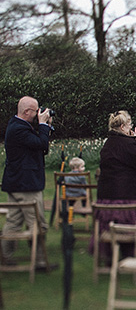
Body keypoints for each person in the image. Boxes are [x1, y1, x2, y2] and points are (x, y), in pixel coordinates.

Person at [1, 96, 54, 269]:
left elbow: (39, 146)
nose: (38, 114)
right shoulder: (20, 130)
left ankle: (6, 257)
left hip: (16, 182)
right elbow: (42, 144)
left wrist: (45, 125)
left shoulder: (16, 125)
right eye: (35, 110)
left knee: (14, 221)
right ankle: (39, 261)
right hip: (26, 184)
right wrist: (44, 125)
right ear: (26, 112)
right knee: (37, 223)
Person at [93, 110, 136, 260]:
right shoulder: (126, 144)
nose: (131, 128)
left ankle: (110, 259)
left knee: (108, 228)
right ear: (122, 127)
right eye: (129, 125)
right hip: (125, 196)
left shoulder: (108, 144)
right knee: (127, 230)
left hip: (106, 195)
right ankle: (128, 257)